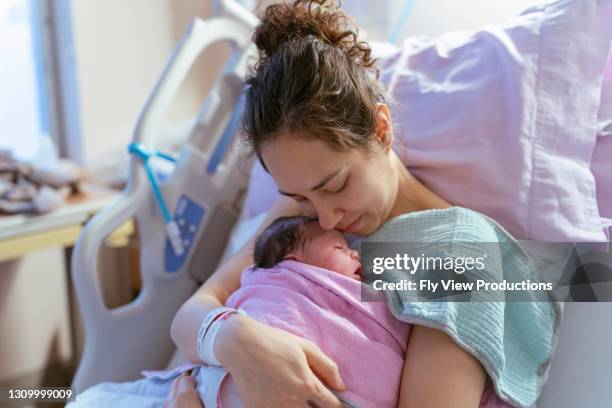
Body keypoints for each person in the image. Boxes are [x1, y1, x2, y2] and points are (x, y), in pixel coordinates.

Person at [169, 0, 489, 406]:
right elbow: (190, 316)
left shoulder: (457, 252)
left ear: (381, 129)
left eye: (335, 185)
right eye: (299, 195)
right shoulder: (297, 217)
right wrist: (234, 337)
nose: (324, 217)